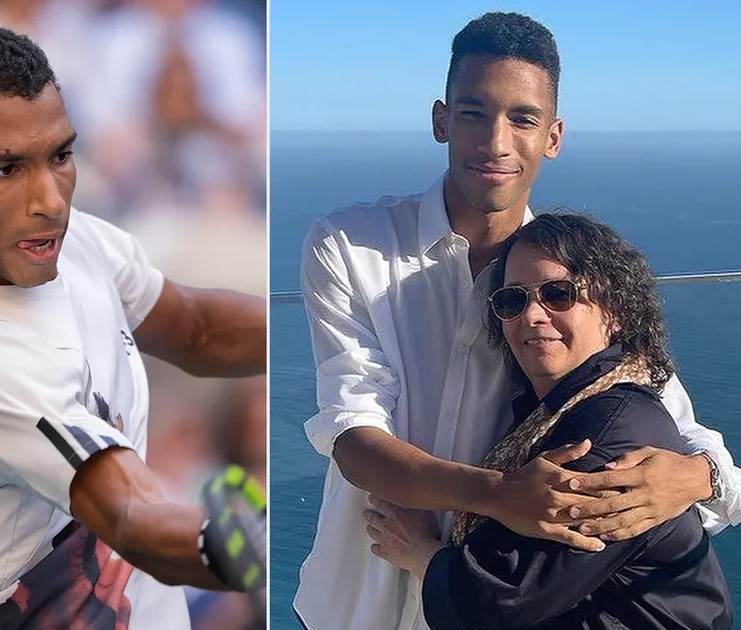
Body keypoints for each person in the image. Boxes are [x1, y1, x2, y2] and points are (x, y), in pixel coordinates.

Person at [295, 12, 739, 630]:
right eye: (474, 113)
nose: (495, 142)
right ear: (440, 120)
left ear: (553, 136)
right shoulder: (350, 244)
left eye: (523, 119)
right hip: (356, 597)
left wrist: (696, 477)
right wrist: (500, 496)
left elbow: (663, 416)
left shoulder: (569, 280)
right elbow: (354, 438)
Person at [0, 23, 265, 629]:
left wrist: (334, 322)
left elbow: (196, 328)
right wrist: (256, 542)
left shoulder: (56, 237)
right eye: (5, 169)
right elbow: (131, 518)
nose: (51, 199)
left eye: (60, 155)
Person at [366, 213, 733, 629]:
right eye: (513, 300)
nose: (533, 315)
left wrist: (419, 551)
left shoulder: (608, 434)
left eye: (559, 294)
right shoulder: (559, 407)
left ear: (614, 311)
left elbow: (494, 604)